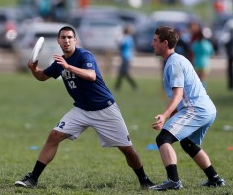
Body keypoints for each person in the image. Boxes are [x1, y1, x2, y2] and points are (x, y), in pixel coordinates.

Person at [14, 26, 154, 189]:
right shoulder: (60, 62)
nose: (66, 40)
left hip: (105, 109)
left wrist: (68, 67)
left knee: (127, 150)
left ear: (75, 40)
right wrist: (34, 69)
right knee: (54, 136)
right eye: (63, 38)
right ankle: (32, 179)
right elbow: (42, 77)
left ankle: (144, 180)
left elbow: (91, 75)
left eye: (69, 37)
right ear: (58, 41)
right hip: (81, 110)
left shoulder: (83, 55)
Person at [149, 26, 225, 191]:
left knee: (163, 139)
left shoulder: (174, 63)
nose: (151, 44)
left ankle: (173, 181)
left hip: (196, 109)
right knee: (188, 143)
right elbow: (180, 98)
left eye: (155, 40)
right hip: (207, 109)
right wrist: (172, 115)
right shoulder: (177, 59)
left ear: (165, 43)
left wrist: (164, 115)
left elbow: (178, 95)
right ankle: (215, 178)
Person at [114, 25, 138, 91]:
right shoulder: (130, 38)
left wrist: (117, 40)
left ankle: (134, 86)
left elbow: (121, 45)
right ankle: (117, 87)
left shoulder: (126, 38)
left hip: (125, 57)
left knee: (125, 73)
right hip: (127, 57)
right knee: (121, 73)